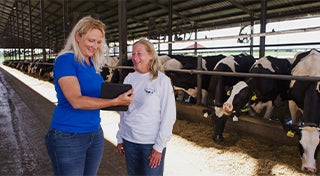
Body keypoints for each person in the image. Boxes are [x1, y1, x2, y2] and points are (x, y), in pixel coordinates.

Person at [45, 16, 133, 175]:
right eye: (91, 40)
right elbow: (76, 101)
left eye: (99, 42)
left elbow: (98, 93)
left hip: (94, 133)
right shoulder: (66, 60)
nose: (95, 46)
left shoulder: (91, 63)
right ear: (78, 37)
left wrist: (124, 95)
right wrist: (114, 101)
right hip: (69, 135)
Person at [116, 38, 176, 176]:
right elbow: (124, 112)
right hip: (130, 141)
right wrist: (120, 137)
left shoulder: (162, 81)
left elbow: (169, 115)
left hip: (151, 143)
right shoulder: (129, 79)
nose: (135, 58)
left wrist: (159, 146)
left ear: (151, 55)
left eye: (139, 53)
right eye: (133, 54)